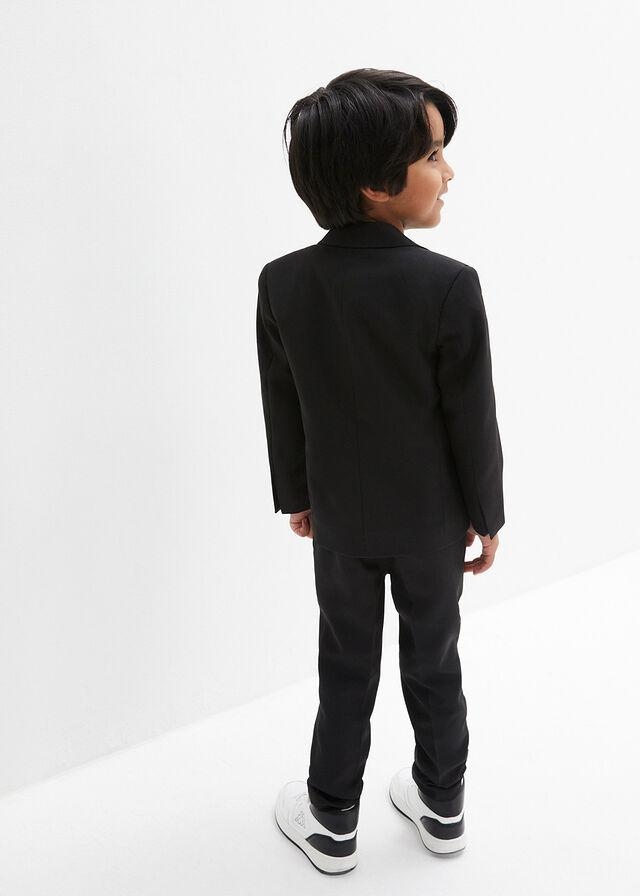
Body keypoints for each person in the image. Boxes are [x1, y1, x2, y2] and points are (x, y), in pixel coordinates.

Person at [256, 67, 505, 875]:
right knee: (434, 660)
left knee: (345, 665)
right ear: (374, 182)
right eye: (433, 155)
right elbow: (472, 418)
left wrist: (297, 496)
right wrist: (486, 514)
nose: (449, 171)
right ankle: (443, 802)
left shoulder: (283, 282)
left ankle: (332, 819)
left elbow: (283, 402)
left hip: (341, 518)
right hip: (433, 523)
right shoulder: (448, 284)